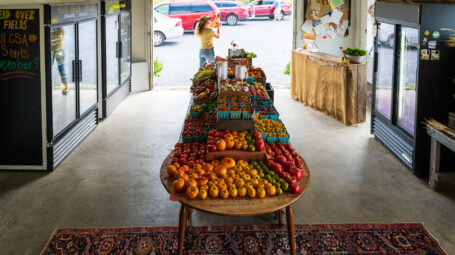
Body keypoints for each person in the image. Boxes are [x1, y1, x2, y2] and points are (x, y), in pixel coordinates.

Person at [51, 27, 68, 94]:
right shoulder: (61, 28)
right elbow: (63, 35)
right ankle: (65, 88)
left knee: (48, 69)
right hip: (60, 49)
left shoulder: (50, 28)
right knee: (61, 68)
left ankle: (48, 87)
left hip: (51, 50)